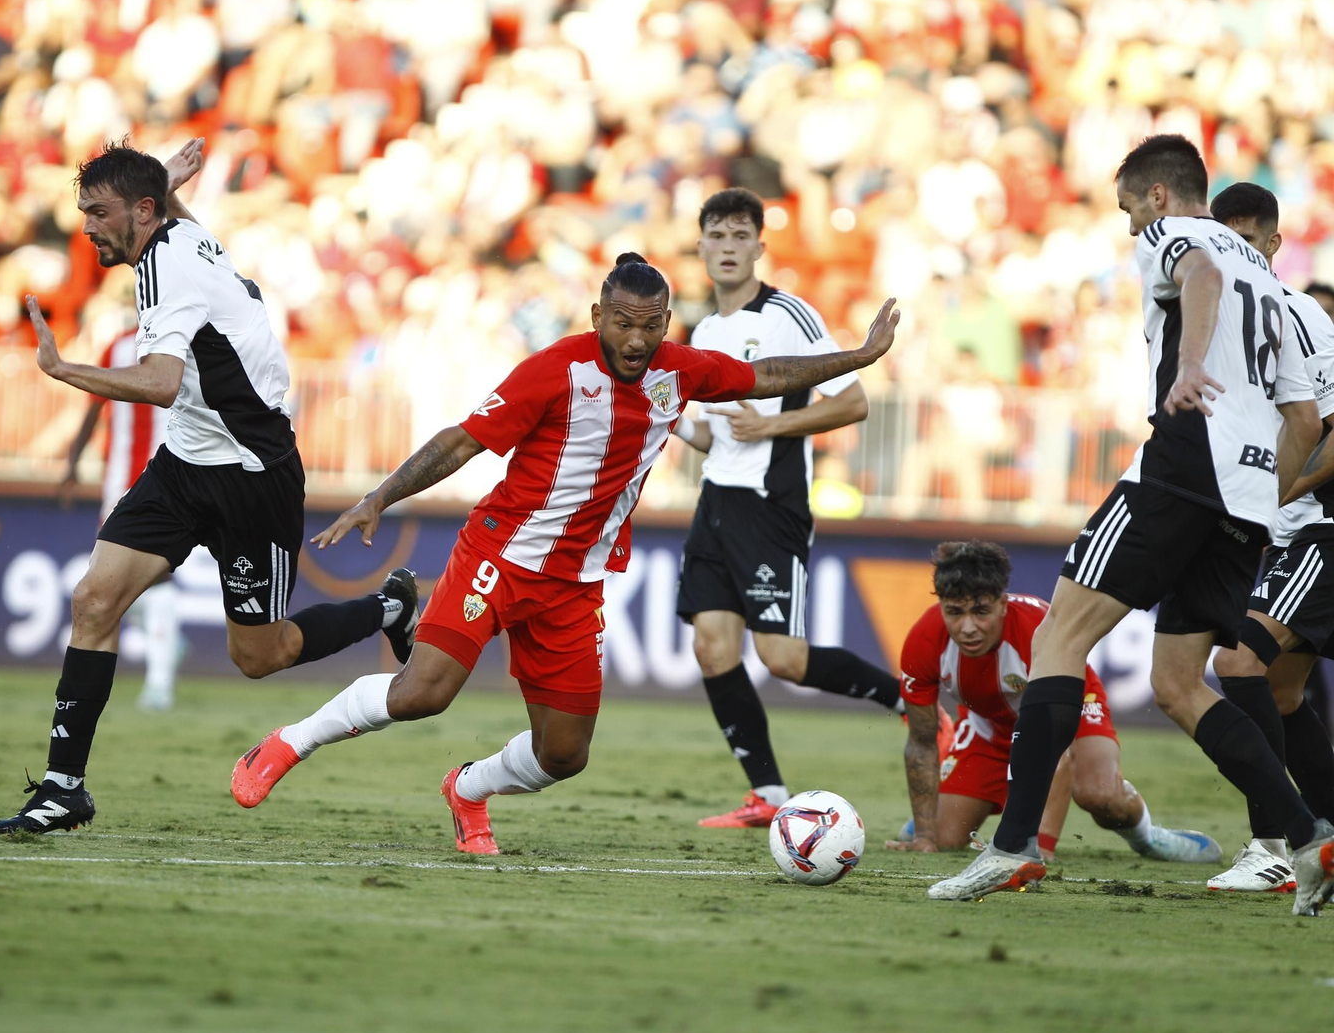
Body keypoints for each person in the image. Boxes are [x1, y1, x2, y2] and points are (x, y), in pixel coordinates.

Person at [228, 253, 901, 854]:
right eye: (623, 323)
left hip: (576, 585)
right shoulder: (556, 370)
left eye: (651, 326)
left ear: (667, 324)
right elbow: (462, 440)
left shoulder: (679, 371)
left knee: (564, 755)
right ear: (597, 316)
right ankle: (290, 742)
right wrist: (381, 496)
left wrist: (859, 357)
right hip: (499, 555)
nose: (636, 340)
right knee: (422, 694)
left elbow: (766, 374)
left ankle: (468, 789)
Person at [930, 134, 1334, 916]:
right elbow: (1305, 419)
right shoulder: (1274, 284)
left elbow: (1201, 273)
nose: (1128, 228)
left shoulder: (1174, 234)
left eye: (1126, 209)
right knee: (1178, 684)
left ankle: (1013, 846)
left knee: (1058, 639)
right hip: (1247, 500)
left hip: (1181, 467)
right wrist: (1263, 498)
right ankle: (1309, 838)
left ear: (1156, 195)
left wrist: (1190, 364)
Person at [0, 139, 417, 834]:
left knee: (262, 655)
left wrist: (65, 370)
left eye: (99, 213)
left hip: (252, 476)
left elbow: (160, 383)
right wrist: (166, 184)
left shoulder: (167, 266)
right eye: (84, 212)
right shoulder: (180, 235)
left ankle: (390, 608)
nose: (87, 227)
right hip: (186, 464)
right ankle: (64, 789)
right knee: (94, 600)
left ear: (143, 211)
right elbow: (171, 235)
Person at [671, 187, 948, 829]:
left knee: (782, 659)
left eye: (741, 236)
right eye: (718, 236)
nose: (728, 247)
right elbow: (715, 434)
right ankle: (767, 793)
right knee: (712, 648)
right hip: (716, 500)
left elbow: (852, 402)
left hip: (771, 505)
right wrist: (667, 420)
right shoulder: (704, 331)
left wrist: (771, 428)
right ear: (701, 246)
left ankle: (909, 701)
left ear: (760, 248)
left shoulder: (788, 314)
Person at [888, 540, 1219, 863]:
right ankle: (938, 814)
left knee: (1100, 794)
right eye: (954, 612)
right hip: (990, 726)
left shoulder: (1038, 629)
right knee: (944, 837)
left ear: (1003, 603)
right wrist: (925, 837)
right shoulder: (923, 641)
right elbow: (921, 742)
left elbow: (1054, 746)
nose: (968, 627)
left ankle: (1148, 836)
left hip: (1073, 714)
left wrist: (1038, 850)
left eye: (981, 611)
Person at [1205, 183, 1334, 892]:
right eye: (1224, 241)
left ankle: (1274, 845)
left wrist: (1272, 496)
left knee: (1238, 663)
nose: (1236, 254)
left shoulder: (1300, 315)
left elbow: (1330, 430)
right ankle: (1325, 837)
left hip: (1318, 527)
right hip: (1282, 529)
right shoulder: (1218, 317)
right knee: (1282, 693)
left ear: (1275, 244)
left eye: (1249, 241)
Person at [62, 328, 181, 712]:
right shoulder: (117, 345)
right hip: (119, 482)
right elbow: (94, 406)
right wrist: (73, 461)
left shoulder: (180, 340)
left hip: (168, 478)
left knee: (157, 575)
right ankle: (166, 642)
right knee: (112, 580)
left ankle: (159, 684)